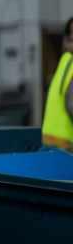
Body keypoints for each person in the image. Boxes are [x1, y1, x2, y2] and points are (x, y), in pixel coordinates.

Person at [42, 15, 73, 151]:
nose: (71, 37)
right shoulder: (68, 60)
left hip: (50, 139)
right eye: (70, 33)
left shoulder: (66, 60)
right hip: (67, 144)